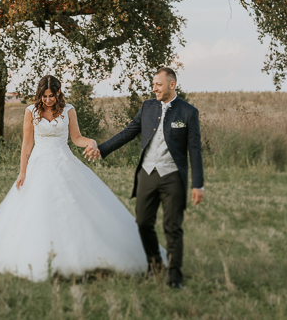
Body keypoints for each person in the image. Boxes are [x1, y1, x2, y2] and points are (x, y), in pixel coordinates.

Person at [0, 74, 154, 281]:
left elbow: (76, 138)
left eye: (52, 96)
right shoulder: (31, 112)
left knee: (73, 205)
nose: (48, 100)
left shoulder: (68, 110)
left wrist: (91, 142)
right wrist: (23, 172)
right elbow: (27, 144)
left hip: (63, 161)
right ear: (40, 95)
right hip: (38, 163)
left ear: (58, 93)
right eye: (44, 96)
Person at [86, 66, 204, 289]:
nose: (154, 88)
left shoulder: (188, 112)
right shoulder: (148, 107)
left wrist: (198, 184)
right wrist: (102, 149)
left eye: (158, 84)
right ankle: (155, 265)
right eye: (153, 84)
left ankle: (175, 276)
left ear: (172, 84)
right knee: (142, 223)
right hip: (147, 175)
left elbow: (195, 150)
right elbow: (129, 132)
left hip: (173, 177)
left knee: (172, 227)